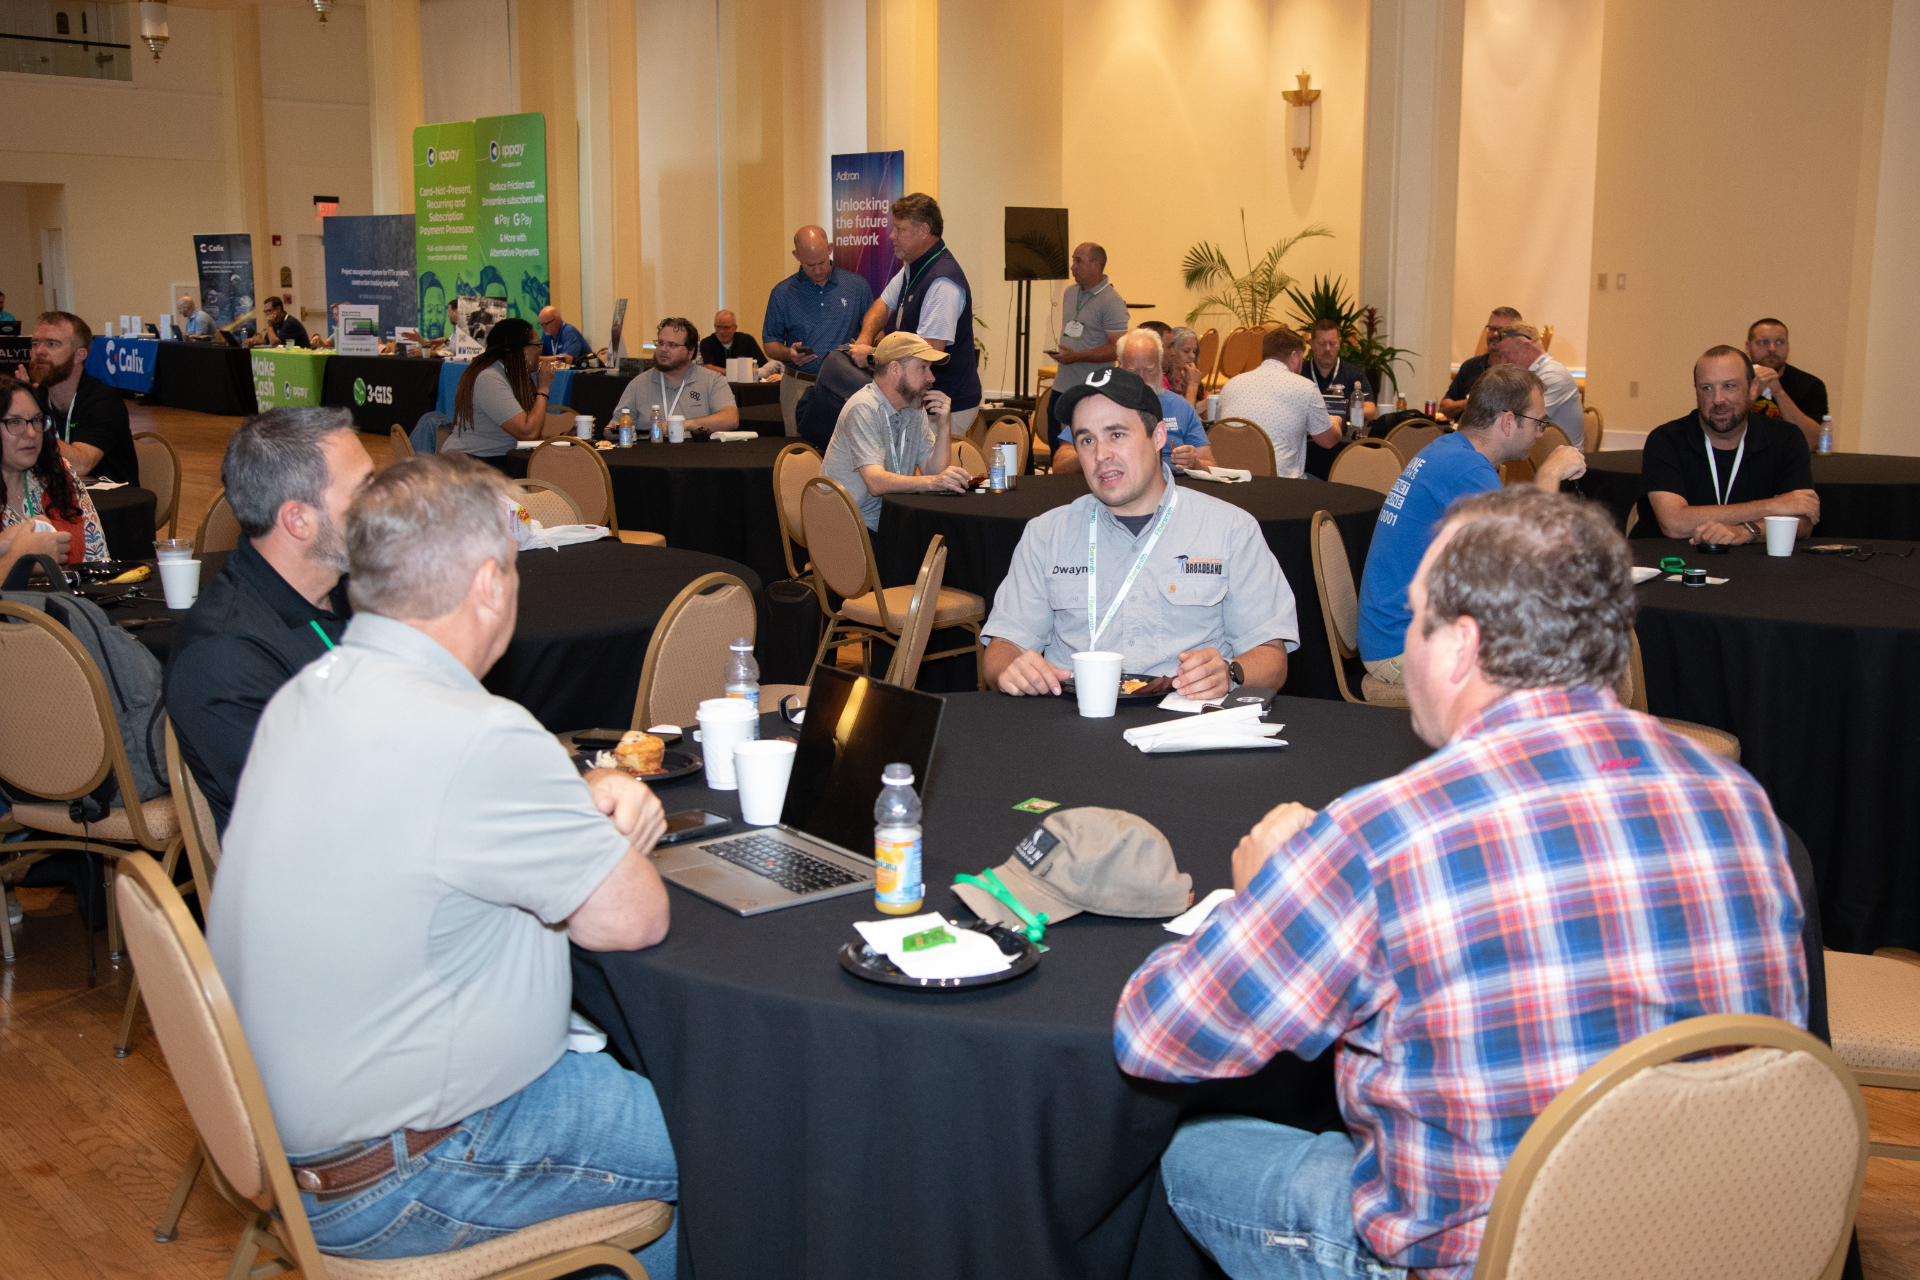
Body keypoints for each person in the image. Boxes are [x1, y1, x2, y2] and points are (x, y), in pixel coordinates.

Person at [1114, 485, 1807, 1280]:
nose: (1405, 641)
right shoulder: (1737, 799)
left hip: (1487, 1262)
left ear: (1462, 646)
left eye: (1415, 618)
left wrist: (1260, 899)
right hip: (1721, 1241)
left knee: (1186, 1152)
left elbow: (1157, 1038)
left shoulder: (1385, 837)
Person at [206, 455, 679, 1272]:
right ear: (489, 585)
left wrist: (567, 796)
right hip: (418, 1167)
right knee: (744, 1129)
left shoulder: (306, 696)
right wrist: (603, 818)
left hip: (288, 1152)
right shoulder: (480, 733)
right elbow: (634, 919)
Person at [982, 367, 1297, 700]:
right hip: (1075, 721)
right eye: (1086, 439)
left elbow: (1273, 660)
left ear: (1158, 436)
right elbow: (1003, 647)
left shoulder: (1231, 529)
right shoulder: (1046, 534)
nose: (1101, 455)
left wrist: (1231, 672)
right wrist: (1009, 669)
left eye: (1116, 434)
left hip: (1186, 727)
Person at [165, 407, 374, 836]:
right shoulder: (222, 657)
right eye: (366, 491)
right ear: (298, 520)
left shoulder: (351, 596)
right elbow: (321, 820)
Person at [1357, 365, 1587, 683]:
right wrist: (1548, 476)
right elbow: (1525, 565)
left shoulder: (1449, 451)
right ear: (1508, 421)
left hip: (1397, 633)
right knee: (1567, 660)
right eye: (1539, 422)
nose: (1541, 433)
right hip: (1403, 648)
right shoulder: (1465, 468)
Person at [1641, 344, 1819, 546]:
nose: (1718, 400)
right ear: (1696, 392)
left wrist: (1744, 532)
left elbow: (1803, 523)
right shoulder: (1666, 440)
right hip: (1674, 565)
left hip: (1755, 567)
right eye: (1707, 388)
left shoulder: (1786, 438)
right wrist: (1775, 506)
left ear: (1752, 389)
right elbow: (1674, 523)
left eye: (1729, 386)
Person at [851, 193, 982, 438]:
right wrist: (865, 339)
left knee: (934, 475)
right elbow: (883, 305)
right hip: (918, 399)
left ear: (924, 230)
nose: (892, 236)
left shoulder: (943, 282)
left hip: (944, 405)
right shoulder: (915, 266)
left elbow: (928, 351)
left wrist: (872, 355)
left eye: (899, 229)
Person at [820, 332, 970, 529]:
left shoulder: (914, 408)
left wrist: (944, 426)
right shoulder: (864, 407)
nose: (931, 377)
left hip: (888, 521)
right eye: (923, 367)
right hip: (848, 527)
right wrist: (931, 482)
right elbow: (875, 483)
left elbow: (934, 472)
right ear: (895, 369)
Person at [1053, 329, 1214, 475]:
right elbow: (1060, 464)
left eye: (1149, 370)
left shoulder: (1181, 407)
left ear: (1160, 367)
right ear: (1120, 368)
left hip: (1175, 486)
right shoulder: (1098, 405)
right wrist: (1091, 453)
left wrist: (1194, 463)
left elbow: (1211, 465)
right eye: (1133, 371)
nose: (1141, 378)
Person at [19, 311, 138, 484]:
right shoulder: (35, 397)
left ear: (79, 355)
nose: (40, 351)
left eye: (52, 344)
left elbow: (81, 465)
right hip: (56, 496)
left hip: (108, 503)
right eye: (35, 343)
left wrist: (31, 421)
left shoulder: (104, 401)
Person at [0, 374, 103, 572]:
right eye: (14, 422)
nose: (31, 433)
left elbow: (96, 557)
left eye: (37, 420)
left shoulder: (57, 472)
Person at [1215, 325, 1340, 478]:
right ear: (1294, 357)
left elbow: (1220, 431)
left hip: (1231, 483)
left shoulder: (1230, 385)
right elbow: (1327, 441)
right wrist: (1336, 423)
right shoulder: (1305, 388)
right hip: (1279, 488)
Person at [762, 225, 874, 376]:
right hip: (799, 383)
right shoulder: (782, 293)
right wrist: (790, 354)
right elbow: (770, 344)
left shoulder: (857, 286)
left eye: (822, 262)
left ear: (830, 249)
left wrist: (869, 349)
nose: (817, 270)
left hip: (847, 383)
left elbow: (876, 331)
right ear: (797, 255)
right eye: (810, 265)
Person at [444, 318, 556, 464]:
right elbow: (529, 434)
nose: (540, 350)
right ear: (519, 349)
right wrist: (543, 388)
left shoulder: (512, 375)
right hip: (469, 465)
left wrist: (565, 437)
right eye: (537, 345)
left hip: (497, 459)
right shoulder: (488, 378)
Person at [610, 318, 739, 438]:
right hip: (650, 456)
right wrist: (611, 431)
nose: (663, 349)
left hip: (698, 457)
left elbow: (731, 419)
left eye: (672, 345)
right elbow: (616, 426)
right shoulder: (639, 384)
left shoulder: (712, 380)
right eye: (660, 343)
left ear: (690, 352)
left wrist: (685, 425)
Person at [1045, 243, 1130, 417]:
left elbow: (1117, 349)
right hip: (1062, 385)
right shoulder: (1070, 293)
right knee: (1057, 442)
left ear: (1096, 265)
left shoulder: (1112, 301)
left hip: (1091, 391)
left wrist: (1077, 356)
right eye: (1073, 261)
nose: (1072, 267)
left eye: (1079, 261)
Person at [1488, 323, 1582, 447]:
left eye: (1506, 355)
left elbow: (1520, 422)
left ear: (1526, 347)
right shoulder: (1530, 375)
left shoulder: (1553, 375)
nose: (1502, 362)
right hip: (1537, 454)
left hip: (1557, 461)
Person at [1746, 317, 1829, 448]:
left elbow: (1811, 443)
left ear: (1788, 347)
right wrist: (1752, 393)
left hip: (1788, 462)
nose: (1772, 349)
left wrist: (1779, 393)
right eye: (1763, 342)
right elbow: (1720, 433)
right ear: (1748, 347)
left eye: (1780, 342)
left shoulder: (1810, 385)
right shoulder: (1733, 381)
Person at [1437, 306, 1520, 419]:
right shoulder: (1470, 366)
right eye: (1491, 328)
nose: (1495, 334)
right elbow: (1444, 408)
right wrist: (1468, 403)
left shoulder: (1520, 372)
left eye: (1501, 330)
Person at [1304, 318, 1375, 423]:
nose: (1327, 348)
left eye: (1332, 343)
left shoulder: (1353, 373)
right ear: (1312, 343)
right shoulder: (1299, 372)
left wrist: (1341, 411)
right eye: (1322, 343)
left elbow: (1371, 409)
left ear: (1339, 343)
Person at [698, 310, 766, 371]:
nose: (721, 331)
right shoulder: (707, 343)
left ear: (735, 328)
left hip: (745, 384)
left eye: (726, 327)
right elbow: (708, 368)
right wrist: (736, 373)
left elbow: (763, 366)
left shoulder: (747, 340)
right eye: (718, 327)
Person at [244, 295, 312, 349]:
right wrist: (254, 342)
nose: (267, 314)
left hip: (301, 356)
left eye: (269, 311)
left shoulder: (290, 322)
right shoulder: (276, 322)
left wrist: (269, 325)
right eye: (265, 311)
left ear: (278, 309)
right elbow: (266, 341)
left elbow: (275, 343)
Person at [1164, 326, 1205, 409]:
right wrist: (1192, 385)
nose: (1192, 356)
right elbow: (1184, 416)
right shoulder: (1163, 380)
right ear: (1172, 351)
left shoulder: (1192, 375)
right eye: (1186, 351)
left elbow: (1206, 417)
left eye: (1194, 352)